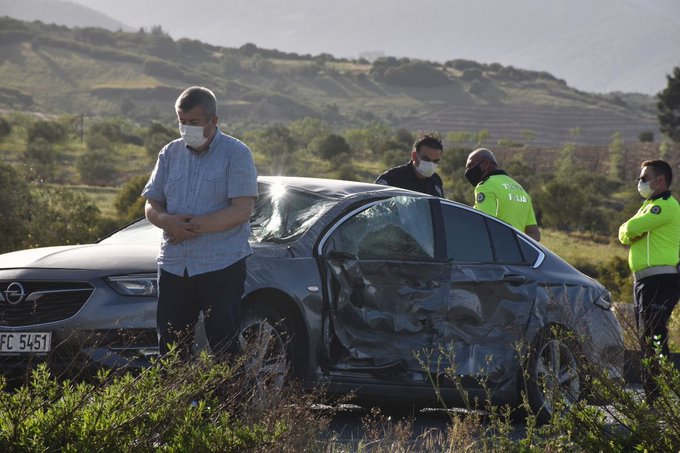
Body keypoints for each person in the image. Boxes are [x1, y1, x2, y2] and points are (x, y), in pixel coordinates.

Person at [142, 86, 258, 360]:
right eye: (181, 122)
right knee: (170, 348)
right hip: (173, 265)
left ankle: (229, 403)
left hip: (220, 265)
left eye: (193, 123)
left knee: (224, 346)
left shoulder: (236, 154)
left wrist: (191, 228)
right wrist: (168, 221)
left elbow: (242, 209)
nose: (186, 129)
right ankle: (176, 403)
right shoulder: (169, 153)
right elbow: (151, 203)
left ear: (212, 121)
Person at [618, 159, 680, 402]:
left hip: (662, 279)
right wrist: (631, 230)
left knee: (654, 334)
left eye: (644, 178)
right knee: (647, 336)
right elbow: (624, 232)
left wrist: (632, 229)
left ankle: (660, 393)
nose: (640, 182)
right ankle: (655, 393)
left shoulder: (664, 206)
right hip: (644, 282)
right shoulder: (647, 205)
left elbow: (633, 227)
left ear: (660, 180)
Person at [464, 148, 541, 241]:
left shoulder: (486, 186)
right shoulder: (520, 189)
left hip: (496, 252)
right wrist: (516, 244)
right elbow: (535, 234)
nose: (468, 171)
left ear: (486, 164)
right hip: (516, 254)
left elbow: (485, 226)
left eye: (471, 166)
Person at [375, 133, 445, 197]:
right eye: (426, 159)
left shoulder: (436, 181)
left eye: (435, 161)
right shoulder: (391, 178)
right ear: (414, 156)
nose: (430, 164)